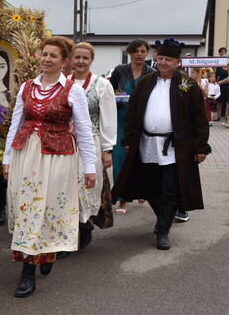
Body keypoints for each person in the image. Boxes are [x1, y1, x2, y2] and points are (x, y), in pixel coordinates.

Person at [3, 36, 95, 298]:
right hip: (27, 154)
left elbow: (85, 131)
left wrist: (90, 167)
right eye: (44, 54)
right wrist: (7, 158)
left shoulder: (73, 90)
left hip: (58, 156)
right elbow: (15, 124)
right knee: (28, 209)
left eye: (53, 56)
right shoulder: (27, 87)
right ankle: (27, 271)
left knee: (49, 208)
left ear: (64, 61)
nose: (47, 59)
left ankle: (46, 252)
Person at [112, 39, 210, 251]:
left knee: (170, 189)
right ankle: (163, 218)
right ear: (155, 59)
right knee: (151, 187)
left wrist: (201, 147)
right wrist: (128, 139)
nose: (163, 62)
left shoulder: (188, 85)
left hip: (175, 148)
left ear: (178, 62)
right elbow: (132, 113)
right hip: (147, 144)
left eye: (169, 59)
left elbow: (200, 118)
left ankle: (163, 229)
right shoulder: (146, 82)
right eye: (161, 58)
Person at [69, 42, 117, 252]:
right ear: (71, 59)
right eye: (77, 57)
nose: (80, 61)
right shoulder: (64, 83)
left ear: (91, 60)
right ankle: (69, 230)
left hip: (92, 140)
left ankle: (85, 225)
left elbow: (108, 119)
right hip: (66, 143)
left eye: (85, 58)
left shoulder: (101, 84)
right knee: (67, 186)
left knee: (87, 185)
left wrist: (107, 149)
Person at [108, 39, 155, 215]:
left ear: (147, 53)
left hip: (143, 121)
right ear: (130, 53)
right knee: (120, 158)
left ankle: (141, 190)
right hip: (120, 119)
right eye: (135, 51)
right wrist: (117, 96)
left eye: (142, 51)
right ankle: (122, 199)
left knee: (141, 157)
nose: (139, 54)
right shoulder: (120, 71)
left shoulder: (152, 73)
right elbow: (109, 92)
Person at [214, 47, 229, 119]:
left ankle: (227, 115)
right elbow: (216, 76)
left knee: (227, 101)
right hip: (220, 85)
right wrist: (215, 83)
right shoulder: (219, 67)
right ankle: (218, 115)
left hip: (228, 85)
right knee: (219, 101)